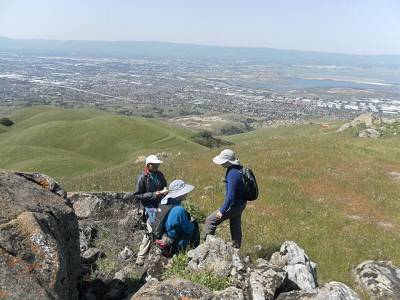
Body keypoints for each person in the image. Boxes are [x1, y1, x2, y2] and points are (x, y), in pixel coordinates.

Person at [204, 149, 247, 248]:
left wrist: (222, 211)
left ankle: (207, 248)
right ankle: (236, 247)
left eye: (222, 161)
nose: (221, 164)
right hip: (241, 204)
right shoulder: (238, 168)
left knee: (210, 221)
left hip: (234, 205)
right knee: (235, 225)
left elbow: (230, 196)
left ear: (228, 162)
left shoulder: (232, 173)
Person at [134, 154, 168, 265]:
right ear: (149, 165)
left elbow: (164, 185)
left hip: (160, 204)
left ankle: (158, 252)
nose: (158, 166)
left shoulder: (159, 174)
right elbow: (138, 195)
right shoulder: (142, 177)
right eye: (155, 164)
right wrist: (153, 194)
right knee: (151, 229)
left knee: (158, 227)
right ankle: (141, 256)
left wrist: (164, 191)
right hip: (148, 207)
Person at [153, 179, 198, 256]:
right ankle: (194, 252)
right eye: (185, 191)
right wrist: (192, 225)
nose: (187, 193)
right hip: (173, 244)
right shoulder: (179, 210)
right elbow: (188, 230)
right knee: (194, 226)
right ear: (180, 194)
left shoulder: (165, 202)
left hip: (163, 238)